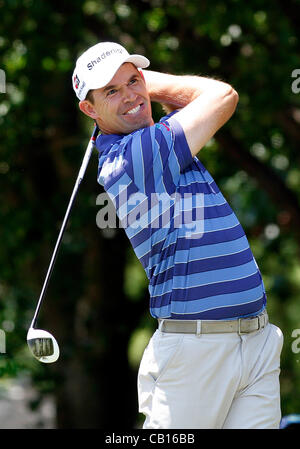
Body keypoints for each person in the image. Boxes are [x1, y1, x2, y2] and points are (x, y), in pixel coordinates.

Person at [72, 41, 283, 429]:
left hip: (255, 341)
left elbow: (193, 106)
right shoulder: (134, 157)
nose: (131, 95)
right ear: (89, 109)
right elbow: (222, 95)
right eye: (111, 91)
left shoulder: (160, 140)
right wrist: (147, 84)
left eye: (132, 80)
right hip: (196, 353)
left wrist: (132, 92)